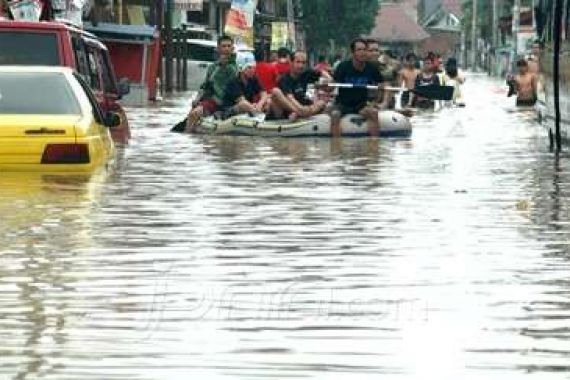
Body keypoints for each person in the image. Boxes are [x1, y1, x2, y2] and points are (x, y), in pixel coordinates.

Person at [331, 37, 384, 137]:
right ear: (353, 53)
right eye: (359, 50)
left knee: (373, 113)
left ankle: (375, 147)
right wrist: (325, 85)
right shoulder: (343, 66)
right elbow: (332, 85)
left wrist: (375, 102)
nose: (362, 52)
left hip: (361, 104)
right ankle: (336, 148)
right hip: (343, 103)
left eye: (364, 49)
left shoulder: (371, 68)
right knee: (335, 115)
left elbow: (381, 84)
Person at [185, 35, 238, 132]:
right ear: (218, 48)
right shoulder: (212, 67)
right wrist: (197, 99)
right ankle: (187, 135)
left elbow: (236, 81)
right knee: (194, 112)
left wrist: (223, 65)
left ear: (232, 48)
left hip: (230, 102)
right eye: (224, 46)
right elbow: (205, 86)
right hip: (214, 101)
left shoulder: (236, 66)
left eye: (229, 46)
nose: (226, 49)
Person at [270, 50, 332, 120]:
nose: (301, 66)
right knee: (275, 91)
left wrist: (328, 79)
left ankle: (302, 113)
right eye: (298, 62)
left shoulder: (307, 73)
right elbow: (290, 98)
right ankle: (300, 113)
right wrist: (300, 110)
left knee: (323, 102)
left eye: (303, 63)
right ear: (291, 62)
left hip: (308, 108)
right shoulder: (284, 79)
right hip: (292, 110)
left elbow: (321, 73)